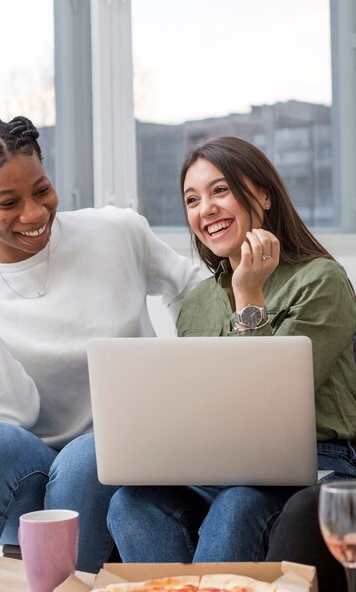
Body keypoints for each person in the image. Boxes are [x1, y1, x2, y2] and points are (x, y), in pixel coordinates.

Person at [0, 115, 201, 573]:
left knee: (89, 452)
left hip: (127, 451)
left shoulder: (116, 232)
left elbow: (193, 290)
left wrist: (197, 372)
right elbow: (16, 414)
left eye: (41, 190)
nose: (34, 213)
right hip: (32, 473)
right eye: (8, 202)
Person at [107, 136, 356, 564]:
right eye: (192, 199)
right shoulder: (199, 302)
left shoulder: (322, 280)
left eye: (220, 190)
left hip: (317, 458)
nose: (205, 209)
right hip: (219, 463)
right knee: (133, 503)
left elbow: (269, 405)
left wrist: (249, 294)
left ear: (263, 194)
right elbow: (205, 407)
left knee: (238, 505)